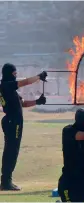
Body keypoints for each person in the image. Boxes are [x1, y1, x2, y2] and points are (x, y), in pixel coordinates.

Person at [0, 63, 47, 191]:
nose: (15, 77)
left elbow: (23, 104)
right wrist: (39, 77)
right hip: (12, 122)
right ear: (9, 74)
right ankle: (6, 182)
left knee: (11, 150)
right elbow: (24, 82)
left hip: (13, 122)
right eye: (14, 74)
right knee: (11, 151)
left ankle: (6, 180)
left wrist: (38, 101)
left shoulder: (9, 88)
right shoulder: (6, 85)